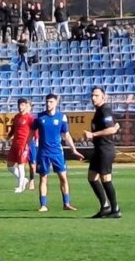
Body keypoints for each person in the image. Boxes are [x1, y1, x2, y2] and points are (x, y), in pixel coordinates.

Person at [31, 93, 85, 212]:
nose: (48, 104)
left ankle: (66, 203)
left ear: (56, 103)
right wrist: (27, 145)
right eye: (47, 102)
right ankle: (43, 205)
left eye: (51, 102)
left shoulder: (61, 117)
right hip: (43, 152)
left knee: (63, 178)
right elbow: (31, 132)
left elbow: (66, 135)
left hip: (57, 153)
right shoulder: (39, 117)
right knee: (43, 178)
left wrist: (74, 150)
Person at [83, 86, 122, 218]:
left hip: (105, 149)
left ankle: (115, 209)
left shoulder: (104, 110)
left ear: (104, 96)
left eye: (96, 95)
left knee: (105, 179)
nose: (93, 98)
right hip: (99, 149)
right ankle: (105, 206)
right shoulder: (100, 111)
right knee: (92, 177)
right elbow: (116, 126)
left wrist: (93, 134)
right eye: (92, 95)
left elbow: (111, 129)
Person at [5, 98, 35, 194]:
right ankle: (23, 180)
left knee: (21, 165)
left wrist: (35, 140)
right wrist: (7, 138)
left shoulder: (30, 118)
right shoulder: (17, 117)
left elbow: (35, 130)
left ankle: (20, 186)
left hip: (23, 144)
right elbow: (13, 129)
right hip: (15, 143)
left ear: (26, 106)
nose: (20, 107)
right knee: (10, 166)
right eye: (19, 105)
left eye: (22, 105)